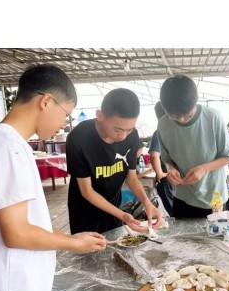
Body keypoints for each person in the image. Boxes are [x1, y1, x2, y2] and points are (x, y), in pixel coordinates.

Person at [0, 64, 107, 291]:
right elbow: (16, 233)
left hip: (19, 289)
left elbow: (28, 221)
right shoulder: (8, 147)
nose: (64, 123)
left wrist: (69, 236)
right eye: (66, 114)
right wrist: (74, 244)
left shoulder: (8, 143)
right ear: (46, 101)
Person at [66, 88, 163, 235]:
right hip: (85, 211)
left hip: (114, 206)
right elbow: (87, 191)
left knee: (116, 244)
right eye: (117, 130)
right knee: (90, 248)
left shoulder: (132, 136)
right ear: (100, 115)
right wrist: (123, 215)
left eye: (129, 129)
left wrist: (147, 203)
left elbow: (131, 177)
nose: (123, 136)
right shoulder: (79, 137)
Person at [158, 74, 229, 218]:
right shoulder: (163, 124)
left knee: (215, 233)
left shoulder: (213, 117)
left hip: (213, 198)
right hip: (181, 197)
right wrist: (170, 169)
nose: (181, 120)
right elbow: (167, 158)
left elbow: (228, 156)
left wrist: (204, 168)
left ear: (196, 101)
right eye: (175, 117)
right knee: (182, 233)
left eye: (187, 115)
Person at [149, 101, 174, 216]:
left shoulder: (160, 131)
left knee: (174, 213)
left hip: (167, 179)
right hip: (175, 178)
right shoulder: (175, 131)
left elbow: (154, 155)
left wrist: (159, 173)